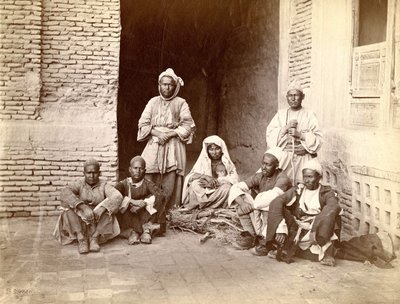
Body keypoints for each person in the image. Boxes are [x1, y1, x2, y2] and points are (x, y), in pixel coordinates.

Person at [137, 68, 195, 233]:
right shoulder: (153, 102)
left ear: (175, 86)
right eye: (164, 84)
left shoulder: (181, 103)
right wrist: (157, 133)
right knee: (148, 175)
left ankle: (166, 215)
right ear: (159, 85)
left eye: (170, 85)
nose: (167, 88)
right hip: (155, 143)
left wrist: (169, 134)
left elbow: (188, 126)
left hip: (173, 144)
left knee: (169, 181)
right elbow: (143, 123)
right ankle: (147, 213)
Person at [263, 158, 341, 266]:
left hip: (317, 229)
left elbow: (332, 206)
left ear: (319, 177)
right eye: (305, 176)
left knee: (331, 215)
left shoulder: (326, 192)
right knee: (278, 207)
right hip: (299, 227)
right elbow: (277, 201)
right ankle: (285, 245)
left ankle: (327, 253)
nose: (306, 180)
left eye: (310, 176)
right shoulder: (299, 189)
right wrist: (281, 227)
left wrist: (315, 228)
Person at [227, 147, 292, 250]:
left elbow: (273, 197)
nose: (264, 167)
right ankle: (250, 237)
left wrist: (252, 205)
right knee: (241, 205)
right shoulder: (260, 176)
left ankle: (266, 242)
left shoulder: (283, 178)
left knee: (269, 208)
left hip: (278, 213)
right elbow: (236, 187)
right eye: (263, 163)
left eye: (268, 164)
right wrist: (243, 203)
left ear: (277, 166)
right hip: (259, 208)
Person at [53, 159, 123, 254]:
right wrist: (83, 207)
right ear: (84, 173)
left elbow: (117, 196)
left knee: (110, 211)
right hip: (82, 218)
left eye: (95, 172)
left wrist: (102, 208)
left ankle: (95, 238)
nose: (91, 176)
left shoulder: (104, 185)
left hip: (97, 219)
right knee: (67, 210)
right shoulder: (79, 183)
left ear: (99, 173)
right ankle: (81, 239)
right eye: (88, 173)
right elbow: (65, 192)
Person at [266, 80, 322, 184]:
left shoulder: (309, 114)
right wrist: (285, 128)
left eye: (296, 95)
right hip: (285, 157)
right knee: (279, 183)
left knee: (303, 186)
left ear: (303, 97)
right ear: (287, 97)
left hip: (303, 157)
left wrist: (301, 136)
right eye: (290, 95)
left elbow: (318, 139)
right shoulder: (281, 114)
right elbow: (270, 135)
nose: (293, 98)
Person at [115, 156, 167, 245]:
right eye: (135, 168)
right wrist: (131, 201)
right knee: (119, 206)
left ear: (145, 171)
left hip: (144, 215)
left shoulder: (147, 183)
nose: (138, 171)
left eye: (141, 168)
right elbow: (114, 195)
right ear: (130, 169)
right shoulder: (123, 184)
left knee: (158, 200)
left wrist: (145, 203)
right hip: (130, 216)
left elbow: (160, 195)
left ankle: (147, 230)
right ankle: (133, 232)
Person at [181, 135, 239, 210]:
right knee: (194, 184)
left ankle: (203, 206)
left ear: (222, 149)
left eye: (217, 149)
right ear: (207, 151)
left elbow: (235, 179)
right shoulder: (203, 161)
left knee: (227, 188)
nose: (214, 152)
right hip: (204, 192)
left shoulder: (226, 162)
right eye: (211, 149)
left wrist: (217, 183)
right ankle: (209, 205)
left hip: (219, 191)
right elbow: (190, 177)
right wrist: (206, 177)